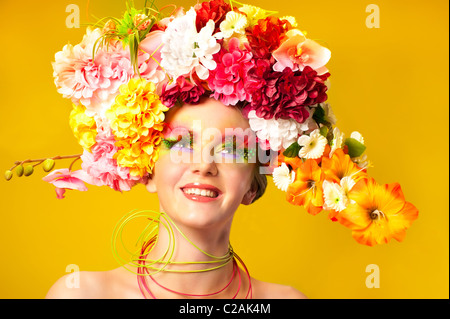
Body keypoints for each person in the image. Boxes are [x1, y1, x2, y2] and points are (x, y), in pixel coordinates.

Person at [45, 98, 308, 299]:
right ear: (147, 172)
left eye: (230, 149)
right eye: (181, 144)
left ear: (252, 185)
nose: (204, 165)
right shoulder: (81, 294)